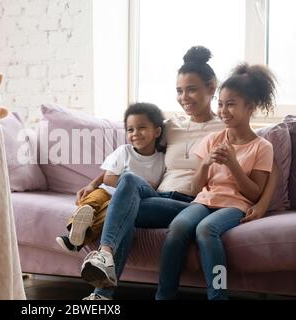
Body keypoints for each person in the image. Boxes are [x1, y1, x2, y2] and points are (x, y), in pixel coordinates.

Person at [77, 46, 278, 300]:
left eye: (192, 89)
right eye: (179, 91)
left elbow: (270, 168)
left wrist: (261, 205)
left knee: (145, 217)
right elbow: (131, 149)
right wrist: (95, 182)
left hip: (189, 200)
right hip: (165, 197)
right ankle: (104, 261)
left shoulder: (227, 126)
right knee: (127, 185)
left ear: (211, 88)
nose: (184, 97)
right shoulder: (170, 126)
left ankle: (105, 291)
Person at [156, 63, 276, 300]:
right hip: (204, 201)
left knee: (206, 229)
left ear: (249, 107)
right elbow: (194, 188)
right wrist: (205, 164)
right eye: (221, 104)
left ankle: (218, 295)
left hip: (234, 206)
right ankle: (164, 295)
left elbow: (253, 194)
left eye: (231, 104)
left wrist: (232, 164)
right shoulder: (213, 139)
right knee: (178, 227)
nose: (223, 110)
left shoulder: (262, 147)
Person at [56, 103, 166, 254]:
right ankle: (74, 229)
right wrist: (93, 185)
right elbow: (108, 178)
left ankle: (75, 241)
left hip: (123, 201)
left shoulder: (162, 159)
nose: (135, 133)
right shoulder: (124, 151)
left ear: (157, 131)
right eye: (130, 129)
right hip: (106, 191)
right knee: (91, 202)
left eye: (142, 127)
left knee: (108, 214)